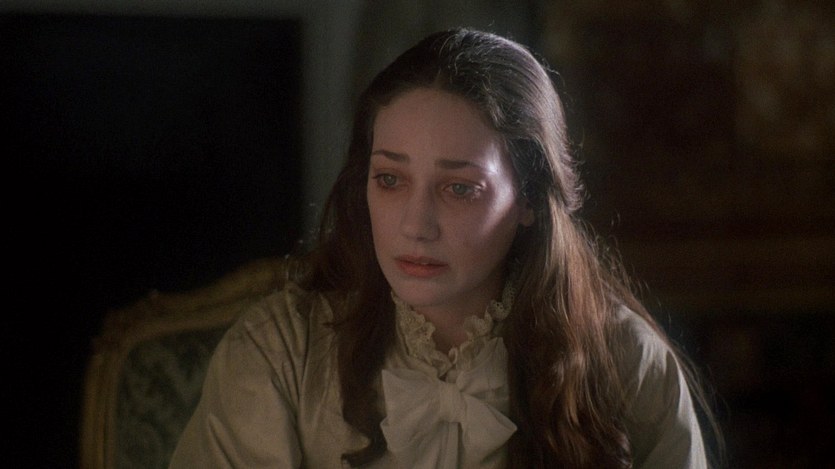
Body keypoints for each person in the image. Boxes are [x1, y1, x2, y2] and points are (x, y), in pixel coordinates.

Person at [169, 28, 719, 468]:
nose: (416, 225)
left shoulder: (625, 362)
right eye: (390, 179)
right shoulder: (280, 354)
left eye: (460, 189)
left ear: (528, 198)